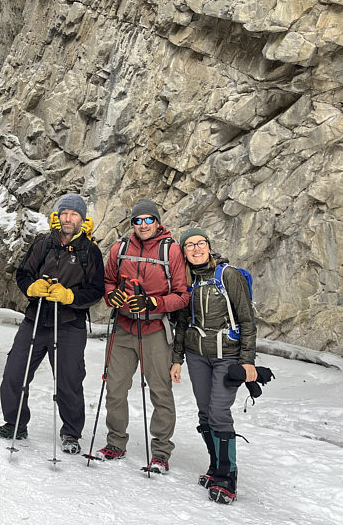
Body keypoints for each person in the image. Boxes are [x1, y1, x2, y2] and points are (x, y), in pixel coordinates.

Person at [0, 194, 104, 455]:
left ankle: (71, 433)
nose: (68, 218)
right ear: (57, 216)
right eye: (64, 213)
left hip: (69, 323)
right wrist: (32, 287)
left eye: (74, 214)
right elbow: (22, 274)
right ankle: (15, 424)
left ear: (82, 219)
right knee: (14, 373)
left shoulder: (90, 251)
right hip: (36, 318)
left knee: (69, 380)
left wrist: (70, 296)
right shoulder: (43, 243)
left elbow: (97, 291)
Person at [97, 198, 189, 472]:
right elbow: (109, 280)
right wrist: (111, 296)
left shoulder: (170, 251)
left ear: (157, 222)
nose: (143, 225)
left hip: (155, 329)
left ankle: (160, 452)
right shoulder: (120, 248)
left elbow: (183, 296)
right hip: (123, 326)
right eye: (138, 220)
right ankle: (115, 442)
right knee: (114, 388)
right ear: (132, 224)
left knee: (160, 391)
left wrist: (154, 303)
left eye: (149, 219)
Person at [171, 227, 257, 504]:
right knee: (205, 413)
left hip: (227, 357)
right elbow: (182, 324)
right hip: (197, 356)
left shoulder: (228, 275)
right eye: (190, 246)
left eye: (201, 243)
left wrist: (247, 361)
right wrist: (177, 359)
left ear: (209, 246)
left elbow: (247, 320)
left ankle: (227, 476)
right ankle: (215, 466)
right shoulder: (186, 281)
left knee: (219, 412)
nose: (196, 249)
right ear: (183, 252)